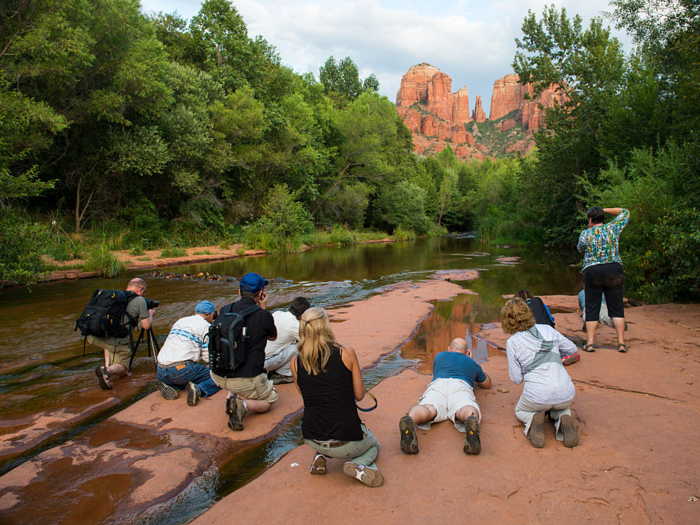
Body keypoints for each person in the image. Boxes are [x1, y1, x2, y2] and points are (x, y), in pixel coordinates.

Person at [292, 307, 384, 488]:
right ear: (326, 327)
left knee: (323, 428)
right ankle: (358, 464)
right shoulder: (346, 353)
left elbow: (308, 397)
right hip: (346, 439)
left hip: (313, 438)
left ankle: (320, 455)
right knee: (374, 446)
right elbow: (359, 395)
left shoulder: (295, 363)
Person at [501, 298, 579, 448]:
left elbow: (516, 379)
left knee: (520, 410)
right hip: (566, 392)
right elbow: (572, 349)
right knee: (562, 407)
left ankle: (533, 419)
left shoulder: (512, 342)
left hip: (537, 396)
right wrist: (554, 358)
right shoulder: (548, 329)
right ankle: (563, 417)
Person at [399, 338, 492, 456]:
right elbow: (487, 384)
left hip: (438, 384)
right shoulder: (471, 363)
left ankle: (411, 418)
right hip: (460, 385)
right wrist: (472, 362)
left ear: (449, 349)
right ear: (467, 352)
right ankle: (470, 418)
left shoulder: (439, 356)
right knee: (463, 407)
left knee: (429, 407)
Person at [210, 273, 278, 431]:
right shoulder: (263, 315)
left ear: (239, 292)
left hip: (217, 375)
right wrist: (263, 308)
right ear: (261, 294)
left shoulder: (224, 310)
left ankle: (231, 396)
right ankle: (243, 405)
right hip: (247, 379)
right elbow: (273, 337)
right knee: (271, 399)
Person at [577, 207, 630, 353]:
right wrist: (604, 209)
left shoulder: (585, 234)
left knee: (592, 306)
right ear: (602, 217)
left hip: (593, 271)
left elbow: (580, 249)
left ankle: (590, 343)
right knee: (616, 307)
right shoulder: (613, 228)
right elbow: (625, 212)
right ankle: (621, 343)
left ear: (590, 220)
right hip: (614, 269)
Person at [88, 278, 155, 390]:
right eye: (144, 291)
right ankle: (107, 370)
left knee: (110, 342)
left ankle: (106, 366)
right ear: (140, 288)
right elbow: (146, 326)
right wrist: (151, 314)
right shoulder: (139, 300)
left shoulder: (117, 297)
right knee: (124, 368)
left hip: (95, 334)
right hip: (116, 338)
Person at [155, 300, 221, 406]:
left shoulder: (181, 321)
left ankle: (171, 385)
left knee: (184, 376)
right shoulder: (205, 326)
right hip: (181, 369)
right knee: (219, 377)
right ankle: (199, 389)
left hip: (161, 369)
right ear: (212, 314)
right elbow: (207, 358)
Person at [264, 297, 311, 384]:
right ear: (303, 314)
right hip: (264, 363)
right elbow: (310, 342)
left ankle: (275, 369)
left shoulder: (277, 313)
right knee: (299, 347)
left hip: (257, 358)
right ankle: (283, 373)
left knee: (288, 344)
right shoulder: (294, 325)